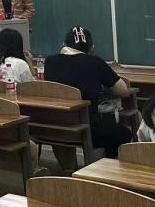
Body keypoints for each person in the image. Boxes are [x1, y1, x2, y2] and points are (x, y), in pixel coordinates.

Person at [44, 26, 133, 157]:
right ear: (91, 48)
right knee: (123, 133)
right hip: (87, 129)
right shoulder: (95, 62)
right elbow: (123, 90)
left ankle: (69, 167)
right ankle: (105, 164)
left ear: (63, 45)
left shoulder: (50, 61)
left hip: (56, 127)